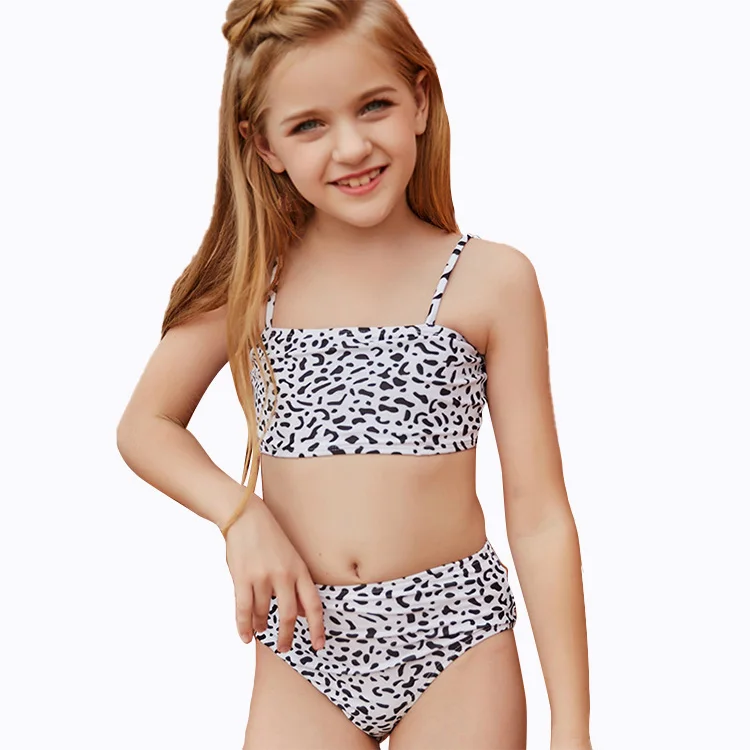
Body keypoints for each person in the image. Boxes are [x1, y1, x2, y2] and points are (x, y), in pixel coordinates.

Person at [116, 1, 592, 748]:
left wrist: (574, 727)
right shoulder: (253, 283)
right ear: (263, 145)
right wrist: (241, 516)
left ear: (421, 102)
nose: (351, 147)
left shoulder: (491, 281)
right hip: (305, 644)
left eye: (374, 106)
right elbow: (145, 425)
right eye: (309, 125)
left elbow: (538, 514)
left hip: (456, 641)